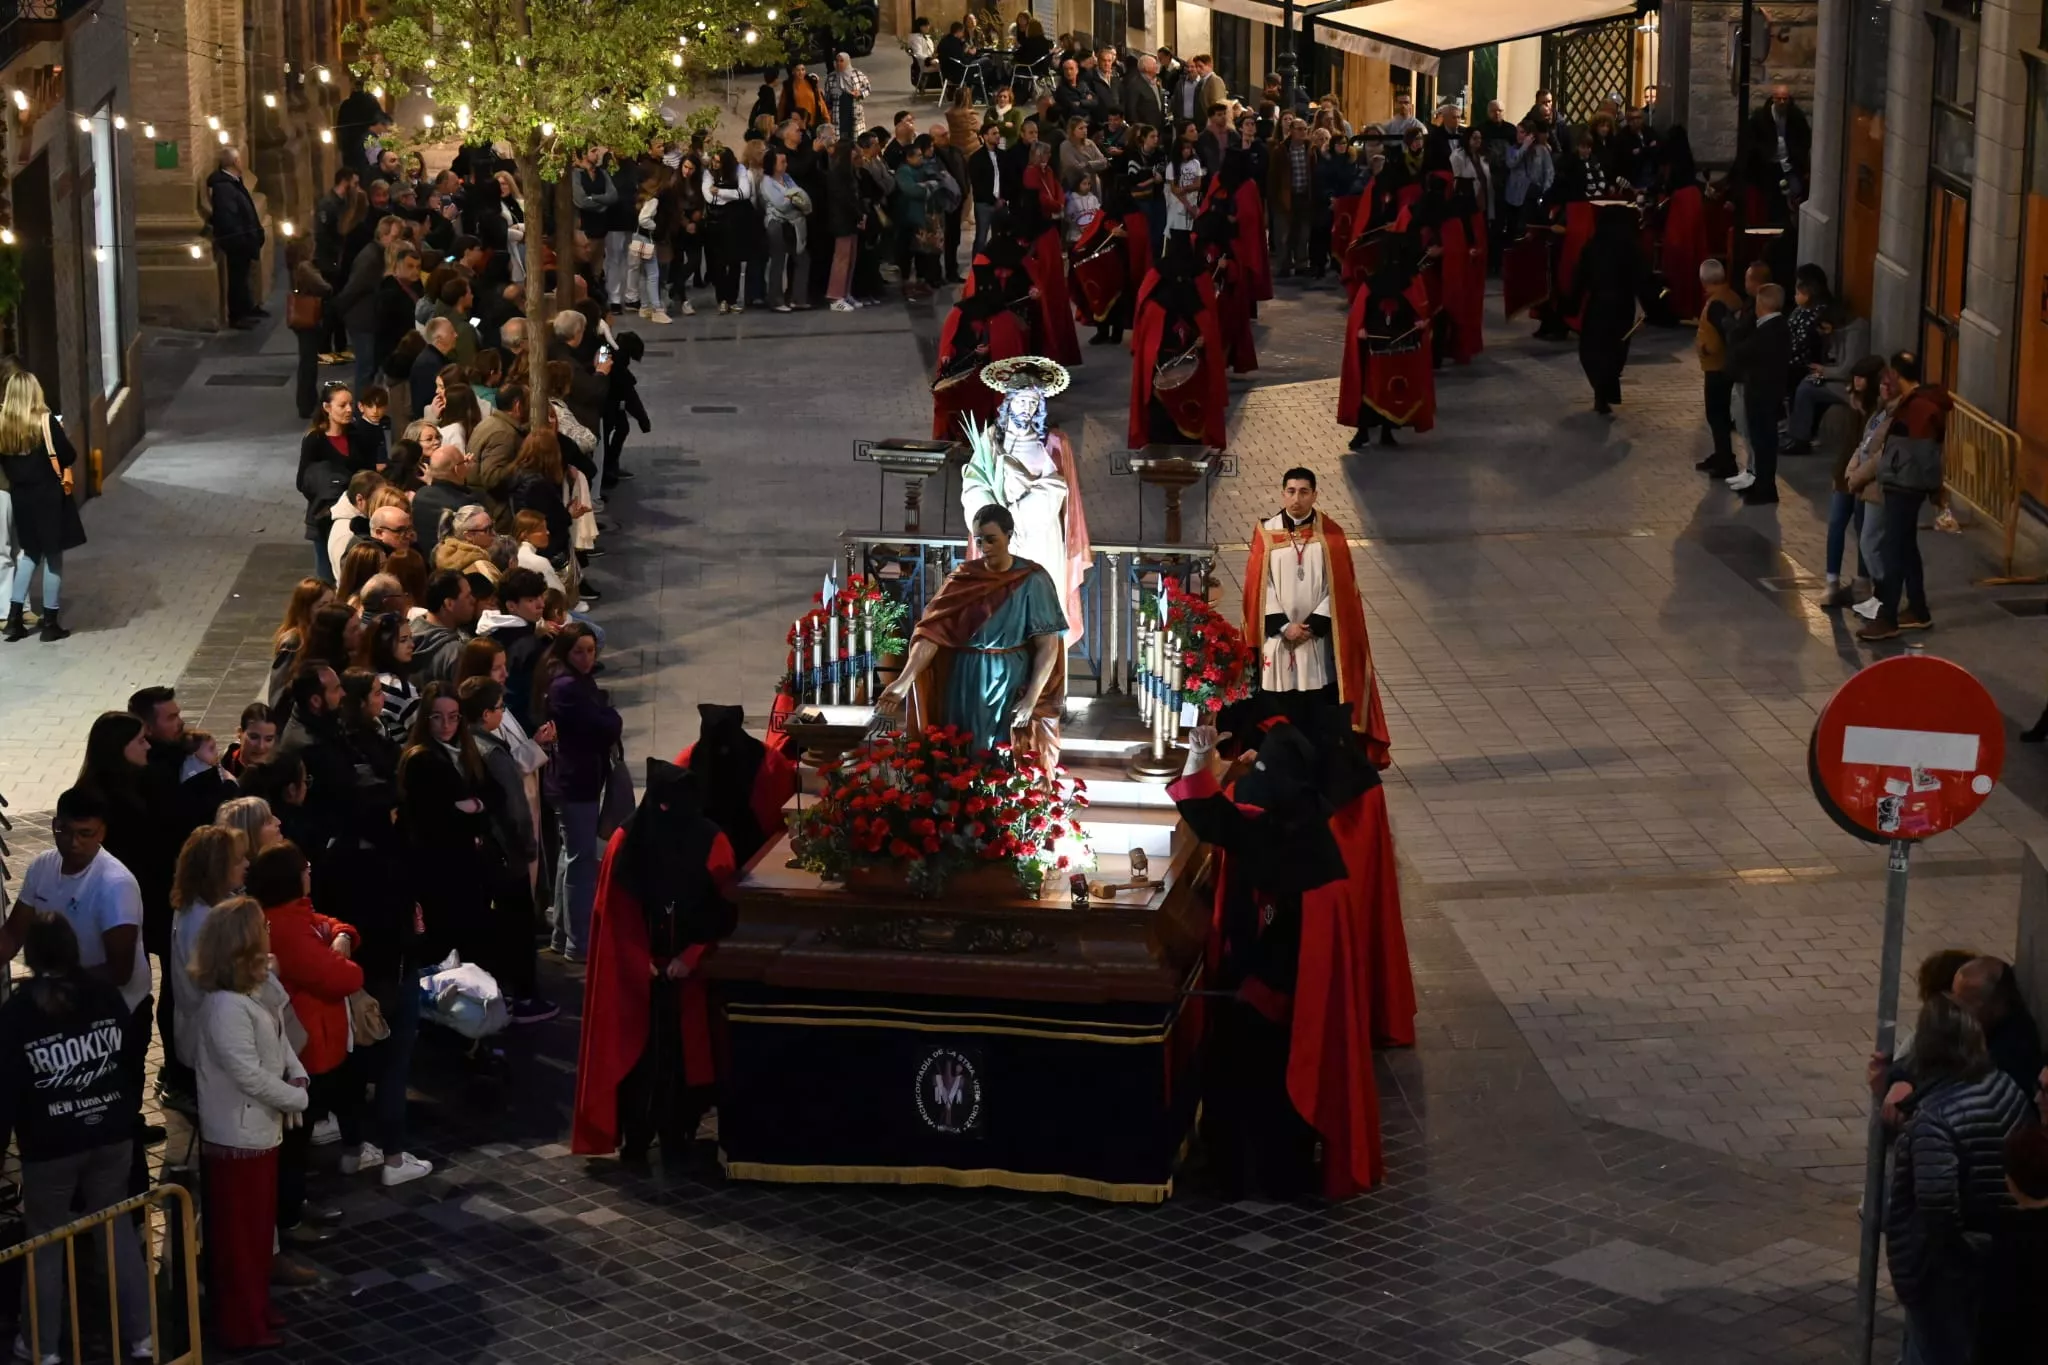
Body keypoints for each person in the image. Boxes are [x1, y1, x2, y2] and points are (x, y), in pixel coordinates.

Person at [1167, 714, 1394, 1197]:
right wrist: (1199, 753)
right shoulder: (1272, 822)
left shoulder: (1316, 864)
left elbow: (1308, 951)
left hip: (1288, 1005)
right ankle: (1235, 1167)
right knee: (1229, 1076)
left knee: (1270, 1091)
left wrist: (1261, 987)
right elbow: (1214, 819)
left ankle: (1272, 1175)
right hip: (1253, 987)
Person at [0, 913, 151, 1365]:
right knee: (116, 1229)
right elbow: (129, 1060)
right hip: (110, 1133)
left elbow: (6, 1090)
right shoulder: (104, 996)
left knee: (45, 1241)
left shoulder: (18, 1013)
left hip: (50, 1145)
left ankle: (42, 1346)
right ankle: (142, 1336)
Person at [572, 759, 738, 1164]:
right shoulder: (627, 842)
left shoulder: (710, 841)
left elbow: (726, 908)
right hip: (638, 979)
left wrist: (693, 954)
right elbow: (612, 910)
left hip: (691, 978)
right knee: (638, 1063)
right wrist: (638, 959)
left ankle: (678, 1130)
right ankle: (637, 1135)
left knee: (684, 1061)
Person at [1884, 994, 2029, 1365]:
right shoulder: (2003, 1085)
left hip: (1944, 1272)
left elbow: (1935, 1205)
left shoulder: (1935, 1120)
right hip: (1994, 1254)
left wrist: (1959, 1250)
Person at [190, 896, 307, 1349]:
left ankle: (257, 1307)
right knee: (239, 1239)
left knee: (260, 1233)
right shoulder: (223, 1007)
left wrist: (295, 1070)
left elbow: (277, 1035)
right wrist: (295, 1094)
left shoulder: (251, 992)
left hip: (260, 1131)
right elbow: (248, 1074)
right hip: (237, 1136)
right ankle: (241, 1323)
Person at [875, 504, 1067, 766]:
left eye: (991, 539)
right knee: (959, 748)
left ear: (1009, 536)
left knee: (997, 749)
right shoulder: (964, 578)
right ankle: (960, 803)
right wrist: (904, 680)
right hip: (963, 676)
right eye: (978, 540)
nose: (984, 546)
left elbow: (1048, 644)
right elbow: (933, 632)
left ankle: (1000, 803)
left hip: (1007, 679)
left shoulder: (1032, 579)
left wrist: (1031, 698)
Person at [1243, 469, 1392, 768]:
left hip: (1315, 637)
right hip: (1280, 638)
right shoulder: (1266, 533)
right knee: (1278, 700)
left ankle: (1314, 761)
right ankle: (1277, 760)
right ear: (1282, 492)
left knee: (1315, 701)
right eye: (1290, 491)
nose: (1296, 498)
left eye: (1303, 491)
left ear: (1315, 494)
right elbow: (1260, 586)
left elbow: (1339, 588)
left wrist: (1312, 625)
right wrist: (1285, 626)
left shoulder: (1331, 535)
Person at [958, 362, 1090, 649]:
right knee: (1002, 602)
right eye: (1021, 401)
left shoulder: (1053, 443)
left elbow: (1059, 488)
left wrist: (1023, 511)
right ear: (1009, 403)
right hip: (1002, 536)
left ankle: (1043, 675)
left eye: (1033, 402)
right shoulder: (992, 441)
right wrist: (994, 517)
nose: (1026, 408)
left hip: (1040, 535)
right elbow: (974, 483)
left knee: (1039, 601)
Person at [536, 624, 621, 963]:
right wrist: (610, 715)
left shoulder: (567, 680)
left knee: (568, 858)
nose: (587, 658)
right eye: (579, 651)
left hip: (574, 779)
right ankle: (579, 942)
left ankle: (561, 934)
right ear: (565, 652)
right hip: (575, 782)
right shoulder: (568, 686)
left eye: (591, 650)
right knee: (580, 861)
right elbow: (603, 726)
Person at [1856, 351, 1951, 642]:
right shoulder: (1918, 403)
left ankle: (1888, 619)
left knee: (1892, 549)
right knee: (1906, 545)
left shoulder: (1919, 408)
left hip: (1905, 485)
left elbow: (1917, 453)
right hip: (1905, 482)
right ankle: (1919, 610)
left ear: (1896, 375)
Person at [1127, 235, 1228, 450]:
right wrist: (1204, 337)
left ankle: (1166, 443)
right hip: (1177, 357)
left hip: (1178, 355)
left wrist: (1204, 338)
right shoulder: (1197, 277)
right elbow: (1207, 316)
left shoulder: (1157, 279)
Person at [0, 370, 77, 642]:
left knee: (30, 555)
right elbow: (69, 455)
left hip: (21, 499)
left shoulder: (3, 426)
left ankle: (13, 618)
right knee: (53, 558)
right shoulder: (45, 422)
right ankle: (50, 622)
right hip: (48, 498)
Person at [1339, 240, 1434, 449]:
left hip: (1396, 343)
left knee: (1392, 389)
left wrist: (1418, 322)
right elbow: (1360, 313)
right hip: (1375, 343)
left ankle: (1387, 431)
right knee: (1370, 389)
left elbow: (1413, 310)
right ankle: (1363, 432)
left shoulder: (1406, 283)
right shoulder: (1372, 284)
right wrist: (1361, 328)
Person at [1815, 357, 1890, 611]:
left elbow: (1870, 445)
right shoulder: (1852, 403)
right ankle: (1832, 581)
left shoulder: (1880, 412)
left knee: (1863, 530)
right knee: (1836, 524)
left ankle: (1863, 583)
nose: (1857, 382)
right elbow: (1851, 444)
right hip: (1845, 473)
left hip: (1864, 479)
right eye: (1855, 376)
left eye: (1862, 377)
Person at [1569, 204, 1654, 415]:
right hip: (1622, 306)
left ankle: (1601, 390)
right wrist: (1652, 303)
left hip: (1597, 304)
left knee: (1592, 349)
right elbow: (1642, 278)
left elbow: (1580, 277)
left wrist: (1572, 303)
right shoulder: (1631, 247)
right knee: (1615, 350)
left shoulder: (1592, 246)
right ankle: (1606, 390)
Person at [1723, 283, 1790, 505]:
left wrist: (1736, 328)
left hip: (1763, 396)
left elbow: (1741, 352)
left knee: (1763, 443)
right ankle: (1762, 485)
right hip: (1765, 394)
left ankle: (1765, 489)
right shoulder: (1777, 326)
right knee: (1762, 443)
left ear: (1761, 305)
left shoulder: (1769, 330)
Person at [1692, 260, 1745, 479]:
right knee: (1719, 413)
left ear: (1704, 280)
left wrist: (1705, 347)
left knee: (1716, 414)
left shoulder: (1716, 304)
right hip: (1723, 364)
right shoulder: (1731, 296)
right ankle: (1721, 454)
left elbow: (1727, 333)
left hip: (1717, 366)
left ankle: (1725, 460)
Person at [207, 147, 268, 329]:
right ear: (234, 162)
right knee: (237, 279)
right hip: (237, 241)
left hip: (245, 239)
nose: (242, 162)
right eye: (240, 160)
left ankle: (249, 308)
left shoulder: (234, 182)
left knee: (245, 276)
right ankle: (238, 316)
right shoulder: (224, 187)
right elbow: (228, 217)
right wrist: (242, 238)